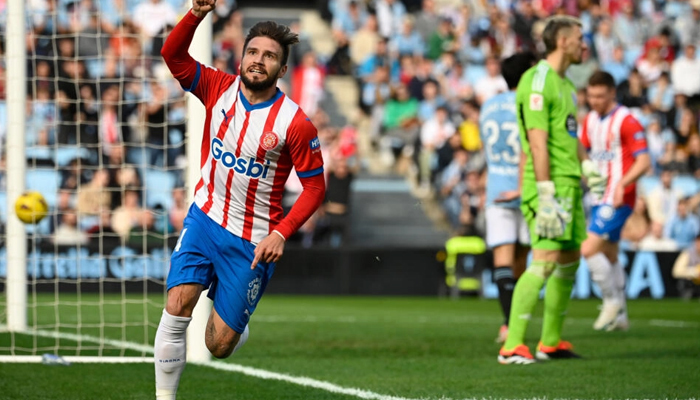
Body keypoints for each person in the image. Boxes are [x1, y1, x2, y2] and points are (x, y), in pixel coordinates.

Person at [154, 1, 326, 398]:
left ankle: (236, 318)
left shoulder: (295, 123)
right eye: (252, 52)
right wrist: (196, 13)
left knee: (219, 346)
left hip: (252, 242)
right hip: (205, 217)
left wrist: (281, 233)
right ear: (240, 56)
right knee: (177, 305)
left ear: (282, 70)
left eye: (269, 56)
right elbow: (172, 54)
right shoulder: (216, 87)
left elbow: (315, 188)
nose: (258, 61)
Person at [498, 16, 605, 365]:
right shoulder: (538, 80)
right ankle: (512, 344)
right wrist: (544, 192)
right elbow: (538, 143)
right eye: (579, 38)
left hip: (570, 185)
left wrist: (587, 164)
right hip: (549, 185)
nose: (583, 44)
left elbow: (569, 137)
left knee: (570, 260)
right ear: (561, 41)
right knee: (543, 262)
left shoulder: (567, 85)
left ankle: (550, 342)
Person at [579, 71, 650, 332]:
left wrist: (623, 183)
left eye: (600, 95)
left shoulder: (628, 121)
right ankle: (622, 316)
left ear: (612, 93)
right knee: (609, 254)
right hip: (598, 196)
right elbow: (583, 151)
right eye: (591, 95)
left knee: (588, 248)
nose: (594, 100)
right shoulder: (590, 120)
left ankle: (610, 302)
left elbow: (644, 161)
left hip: (619, 197)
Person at [479, 51, 536, 344]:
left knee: (503, 259)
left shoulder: (488, 106)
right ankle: (516, 322)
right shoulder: (530, 104)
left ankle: (507, 323)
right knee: (523, 260)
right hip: (526, 187)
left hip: (496, 188)